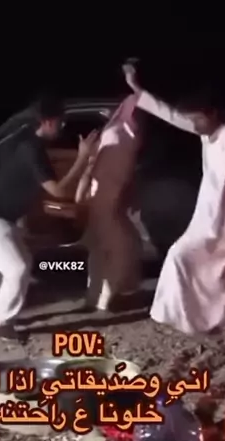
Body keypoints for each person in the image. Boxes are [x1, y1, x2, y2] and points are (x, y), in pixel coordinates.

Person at [123, 62, 225, 337]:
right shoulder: (209, 129)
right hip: (208, 213)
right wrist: (139, 91)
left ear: (212, 113)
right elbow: (174, 117)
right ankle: (185, 318)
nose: (194, 126)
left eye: (197, 120)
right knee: (185, 261)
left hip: (222, 217)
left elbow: (223, 188)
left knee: (214, 270)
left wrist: (209, 229)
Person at [0, 95, 98, 341]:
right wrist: (82, 158)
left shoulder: (31, 143)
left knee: (22, 264)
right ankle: (4, 324)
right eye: (60, 122)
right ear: (47, 122)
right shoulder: (32, 149)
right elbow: (57, 191)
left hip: (0, 217)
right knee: (17, 269)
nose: (63, 126)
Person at [76, 94, 144, 311]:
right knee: (124, 249)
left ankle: (94, 298)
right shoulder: (123, 136)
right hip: (106, 204)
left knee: (100, 251)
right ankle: (105, 299)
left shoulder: (115, 133)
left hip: (99, 201)